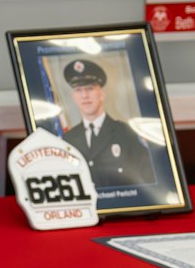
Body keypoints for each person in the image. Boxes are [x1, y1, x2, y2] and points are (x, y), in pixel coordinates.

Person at [54, 56, 157, 190]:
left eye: (90, 88)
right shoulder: (68, 139)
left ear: (102, 94)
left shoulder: (127, 133)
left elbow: (147, 180)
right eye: (78, 90)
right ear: (74, 97)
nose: (84, 95)